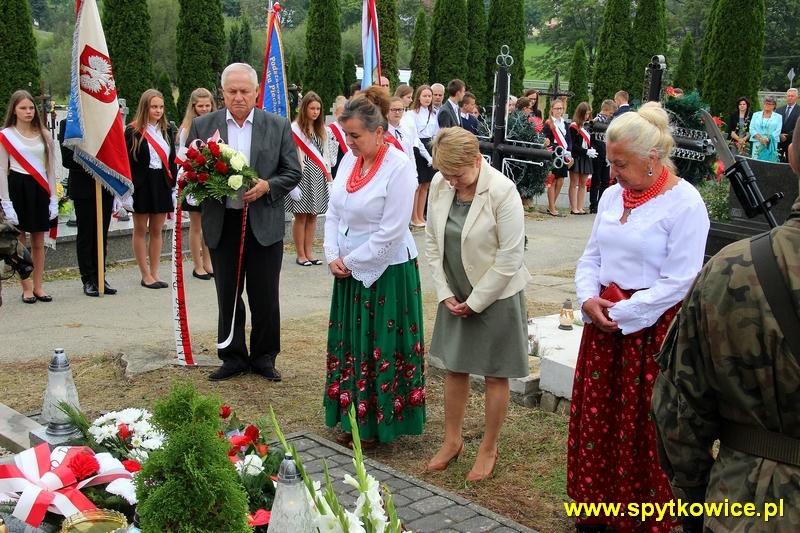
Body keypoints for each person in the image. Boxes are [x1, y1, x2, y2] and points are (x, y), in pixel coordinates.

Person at [651, 115, 800, 533]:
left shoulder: (729, 270)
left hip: (750, 504)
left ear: (791, 156)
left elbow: (678, 410)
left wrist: (694, 496)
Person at [569, 102, 710, 533]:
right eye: (610, 162)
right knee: (599, 420)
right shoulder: (613, 196)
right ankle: (595, 508)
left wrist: (625, 311)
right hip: (604, 323)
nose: (612, 173)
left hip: (652, 332)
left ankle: (640, 519)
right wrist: (587, 298)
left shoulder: (684, 203)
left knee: (643, 426)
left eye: (621, 164)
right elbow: (592, 256)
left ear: (653, 158)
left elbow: (681, 279)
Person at [424, 127, 531, 482]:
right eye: (446, 175)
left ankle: (488, 447)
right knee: (455, 367)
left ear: (476, 159)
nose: (452, 182)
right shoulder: (441, 184)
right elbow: (432, 243)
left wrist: (477, 301)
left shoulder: (502, 191)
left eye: (457, 174)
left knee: (495, 372)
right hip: (455, 292)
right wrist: (445, 292)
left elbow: (511, 256)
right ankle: (452, 441)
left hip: (496, 293)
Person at [322, 86, 425, 446]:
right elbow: (334, 210)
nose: (348, 142)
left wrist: (350, 261)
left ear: (379, 132)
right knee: (353, 343)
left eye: (355, 136)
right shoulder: (350, 160)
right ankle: (351, 415)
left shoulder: (399, 168)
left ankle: (378, 425)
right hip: (348, 270)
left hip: (387, 272)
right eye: (346, 135)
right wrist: (331, 253)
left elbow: (391, 232)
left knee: (378, 344)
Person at [187, 63, 302, 382]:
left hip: (263, 223)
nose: (238, 97)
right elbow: (191, 170)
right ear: (222, 92)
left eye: (244, 91)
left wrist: (267, 186)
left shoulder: (277, 125)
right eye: (232, 91)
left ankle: (264, 357)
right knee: (228, 294)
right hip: (223, 223)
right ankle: (232, 356)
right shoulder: (203, 125)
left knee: (265, 296)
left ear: (256, 92)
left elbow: (293, 171)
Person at [0, 90, 57, 303]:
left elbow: (50, 168)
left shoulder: (44, 134)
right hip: (17, 186)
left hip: (40, 188)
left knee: (39, 241)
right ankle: (26, 287)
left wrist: (53, 198)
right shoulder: (6, 135)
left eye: (31, 107)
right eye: (23, 108)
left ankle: (39, 286)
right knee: (20, 241)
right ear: (14, 110)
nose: (28, 112)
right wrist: (6, 202)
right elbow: (1, 170)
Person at [125, 89, 177, 290]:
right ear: (145, 108)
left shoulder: (167, 130)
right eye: (154, 107)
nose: (158, 110)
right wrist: (127, 191)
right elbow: (128, 162)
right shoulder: (133, 131)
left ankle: (155, 272)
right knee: (140, 229)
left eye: (161, 107)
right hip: (141, 184)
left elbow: (171, 160)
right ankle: (145, 274)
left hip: (161, 183)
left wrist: (173, 186)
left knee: (157, 230)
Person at [58, 120, 117, 297]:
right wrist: (94, 159)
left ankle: (100, 276)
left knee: (101, 233)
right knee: (86, 234)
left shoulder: (105, 119)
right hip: (83, 186)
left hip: (105, 185)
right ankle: (88, 278)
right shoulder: (69, 123)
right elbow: (67, 159)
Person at [286, 91, 336, 267]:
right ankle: (300, 254)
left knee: (313, 215)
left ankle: (309, 252)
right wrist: (291, 183)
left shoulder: (323, 129)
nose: (315, 112)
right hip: (301, 176)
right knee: (301, 216)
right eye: (312, 108)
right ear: (304, 108)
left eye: (318, 109)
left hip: (318, 176)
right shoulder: (294, 129)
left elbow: (327, 155)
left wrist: (329, 178)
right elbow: (290, 155)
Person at [177, 88, 216, 280]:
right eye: (200, 106)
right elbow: (182, 155)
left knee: (208, 224)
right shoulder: (187, 128)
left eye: (207, 105)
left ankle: (208, 262)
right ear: (193, 107)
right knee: (196, 225)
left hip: (211, 179)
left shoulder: (215, 125)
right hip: (193, 178)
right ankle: (197, 264)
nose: (204, 109)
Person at [405, 85, 437, 227]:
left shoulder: (433, 114)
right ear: (418, 97)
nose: (427, 99)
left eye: (429, 96)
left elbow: (435, 133)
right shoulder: (412, 114)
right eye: (424, 96)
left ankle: (420, 216)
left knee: (426, 184)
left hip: (430, 145)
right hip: (418, 147)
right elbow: (415, 136)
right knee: (418, 184)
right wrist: (425, 154)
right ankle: (414, 217)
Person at [542, 98, 571, 216]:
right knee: (553, 180)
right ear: (552, 110)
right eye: (557, 108)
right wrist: (557, 148)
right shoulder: (548, 124)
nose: (559, 111)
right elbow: (547, 141)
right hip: (554, 154)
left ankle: (552, 205)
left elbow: (569, 140)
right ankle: (552, 207)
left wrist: (569, 151)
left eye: (561, 108)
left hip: (563, 155)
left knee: (561, 180)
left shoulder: (565, 124)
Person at [567, 102, 596, 215]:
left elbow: (591, 141)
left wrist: (591, 150)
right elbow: (573, 145)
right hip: (577, 157)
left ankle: (580, 207)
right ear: (580, 113)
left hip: (586, 157)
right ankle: (574, 208)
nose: (587, 116)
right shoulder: (573, 126)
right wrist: (585, 151)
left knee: (583, 184)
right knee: (574, 183)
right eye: (585, 114)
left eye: (589, 114)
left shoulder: (588, 126)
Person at [588, 99, 616, 214]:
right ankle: (593, 204)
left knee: (605, 180)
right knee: (596, 179)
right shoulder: (595, 121)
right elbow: (591, 138)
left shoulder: (611, 122)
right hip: (598, 154)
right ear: (605, 110)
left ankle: (601, 204)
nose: (611, 115)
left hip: (607, 155)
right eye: (610, 113)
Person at [749, 95, 782, 162]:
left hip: (771, 144)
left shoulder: (778, 117)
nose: (767, 105)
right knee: (756, 162)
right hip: (757, 142)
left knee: (770, 162)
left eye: (770, 104)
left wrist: (767, 139)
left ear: (774, 106)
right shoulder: (755, 115)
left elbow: (778, 131)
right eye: (766, 103)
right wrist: (760, 138)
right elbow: (751, 128)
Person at [329, 96, 349, 178]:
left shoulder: (350, 128)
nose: (343, 116)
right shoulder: (330, 130)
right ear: (336, 113)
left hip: (348, 167)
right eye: (341, 113)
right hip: (336, 168)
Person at [778, 87, 798, 161]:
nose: (790, 97)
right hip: (779, 141)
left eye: (792, 96)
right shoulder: (779, 110)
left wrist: (787, 136)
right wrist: (779, 134)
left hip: (792, 142)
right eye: (788, 96)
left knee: (790, 163)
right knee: (777, 162)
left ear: (797, 97)